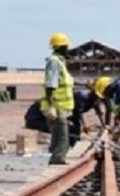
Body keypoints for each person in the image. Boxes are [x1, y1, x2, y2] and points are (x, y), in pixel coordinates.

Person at [43, 32, 74, 165]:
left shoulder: (59, 62)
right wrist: (51, 107)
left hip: (61, 108)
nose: (68, 49)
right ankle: (57, 162)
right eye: (66, 46)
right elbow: (50, 85)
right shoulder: (54, 62)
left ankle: (57, 160)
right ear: (61, 47)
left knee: (59, 139)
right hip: (57, 108)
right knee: (62, 139)